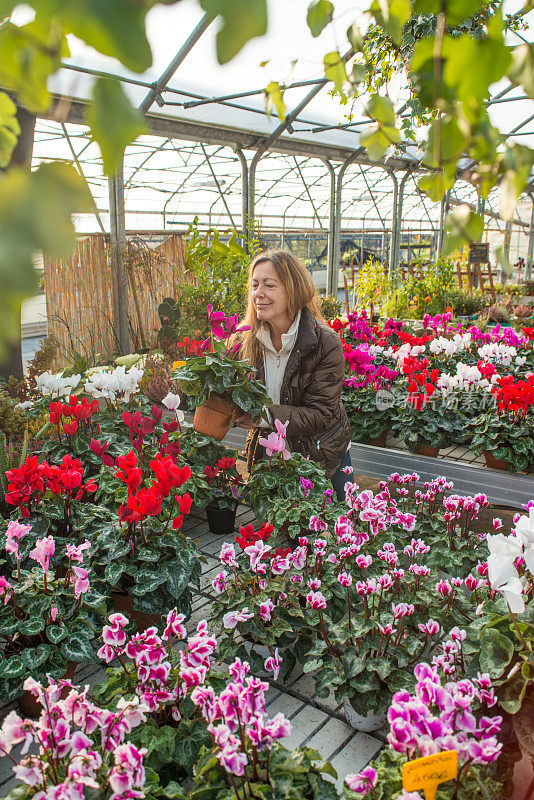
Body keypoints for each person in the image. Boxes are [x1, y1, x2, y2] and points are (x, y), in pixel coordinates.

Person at [234, 249, 352, 501]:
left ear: (293, 289)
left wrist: (262, 416)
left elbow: (320, 415)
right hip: (271, 454)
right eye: (254, 285)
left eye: (269, 285)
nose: (258, 293)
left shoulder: (325, 342)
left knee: (345, 525)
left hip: (322, 450)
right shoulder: (244, 342)